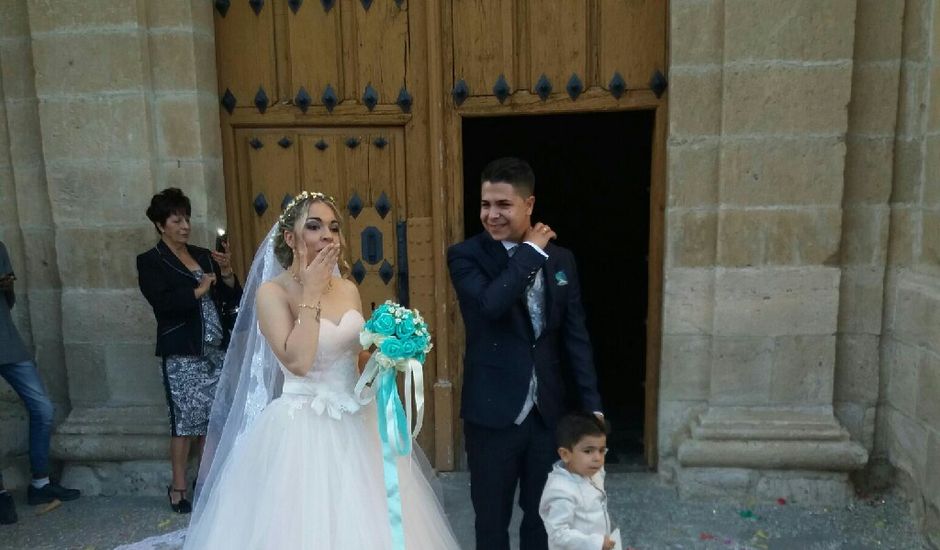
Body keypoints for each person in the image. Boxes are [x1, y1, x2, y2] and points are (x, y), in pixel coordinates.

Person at [182, 191, 459, 548]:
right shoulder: (272, 293)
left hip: (358, 421)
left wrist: (386, 357)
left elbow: (356, 358)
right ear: (289, 238)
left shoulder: (347, 288)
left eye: (333, 227)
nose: (328, 234)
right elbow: (297, 361)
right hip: (302, 428)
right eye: (314, 226)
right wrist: (310, 292)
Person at [447, 156, 604, 550]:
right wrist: (530, 252)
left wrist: (592, 407)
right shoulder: (466, 256)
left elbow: (575, 337)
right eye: (486, 204)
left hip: (547, 415)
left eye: (503, 205)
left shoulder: (563, 259)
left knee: (544, 519)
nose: (491, 215)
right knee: (491, 523)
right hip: (492, 414)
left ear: (529, 204)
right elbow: (491, 305)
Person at [136, 188, 242, 514]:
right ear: (160, 225)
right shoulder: (151, 262)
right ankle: (178, 486)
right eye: (176, 220)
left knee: (211, 420)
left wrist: (225, 274)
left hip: (214, 350)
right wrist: (198, 290)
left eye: (187, 218)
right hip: (182, 351)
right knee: (184, 422)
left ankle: (205, 481)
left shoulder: (204, 254)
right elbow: (163, 304)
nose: (185, 226)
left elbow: (230, 300)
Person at [0, 240, 80, 526]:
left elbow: (7, 304)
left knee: (42, 409)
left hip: (7, 342)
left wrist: (7, 287)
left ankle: (40, 483)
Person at [539, 412, 615, 550]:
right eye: (588, 451)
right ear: (565, 454)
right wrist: (597, 543)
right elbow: (558, 534)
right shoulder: (560, 491)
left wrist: (596, 417)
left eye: (602, 450)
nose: (597, 458)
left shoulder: (591, 471)